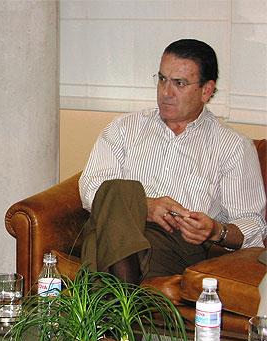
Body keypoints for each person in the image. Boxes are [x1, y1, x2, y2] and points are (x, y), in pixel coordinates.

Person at [79, 38, 266, 284]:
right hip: (116, 226)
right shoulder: (124, 129)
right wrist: (144, 206)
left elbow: (254, 225)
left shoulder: (232, 146)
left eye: (179, 83)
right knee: (118, 190)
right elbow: (89, 191)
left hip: (175, 244)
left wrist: (214, 230)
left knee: (101, 233)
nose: (166, 92)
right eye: (162, 79)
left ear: (206, 91)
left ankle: (105, 308)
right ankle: (121, 309)